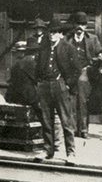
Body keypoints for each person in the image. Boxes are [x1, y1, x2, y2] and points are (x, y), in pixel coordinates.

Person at [34, 21, 80, 164]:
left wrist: (67, 84)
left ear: (60, 34)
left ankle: (71, 153)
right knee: (46, 120)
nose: (52, 35)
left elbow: (77, 69)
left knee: (66, 121)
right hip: (45, 86)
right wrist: (39, 83)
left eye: (55, 32)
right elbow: (38, 67)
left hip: (60, 85)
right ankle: (48, 150)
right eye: (50, 32)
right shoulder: (44, 48)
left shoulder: (68, 48)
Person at [66, 12, 102, 138]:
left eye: (82, 24)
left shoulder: (92, 39)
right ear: (74, 25)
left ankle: (83, 130)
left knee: (82, 102)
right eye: (78, 24)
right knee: (71, 102)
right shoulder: (68, 39)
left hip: (85, 72)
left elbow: (100, 54)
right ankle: (73, 129)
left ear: (86, 26)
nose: (80, 27)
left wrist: (97, 62)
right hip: (70, 73)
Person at [4, 38, 39, 107]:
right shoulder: (29, 61)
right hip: (28, 96)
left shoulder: (18, 63)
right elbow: (37, 78)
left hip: (15, 95)